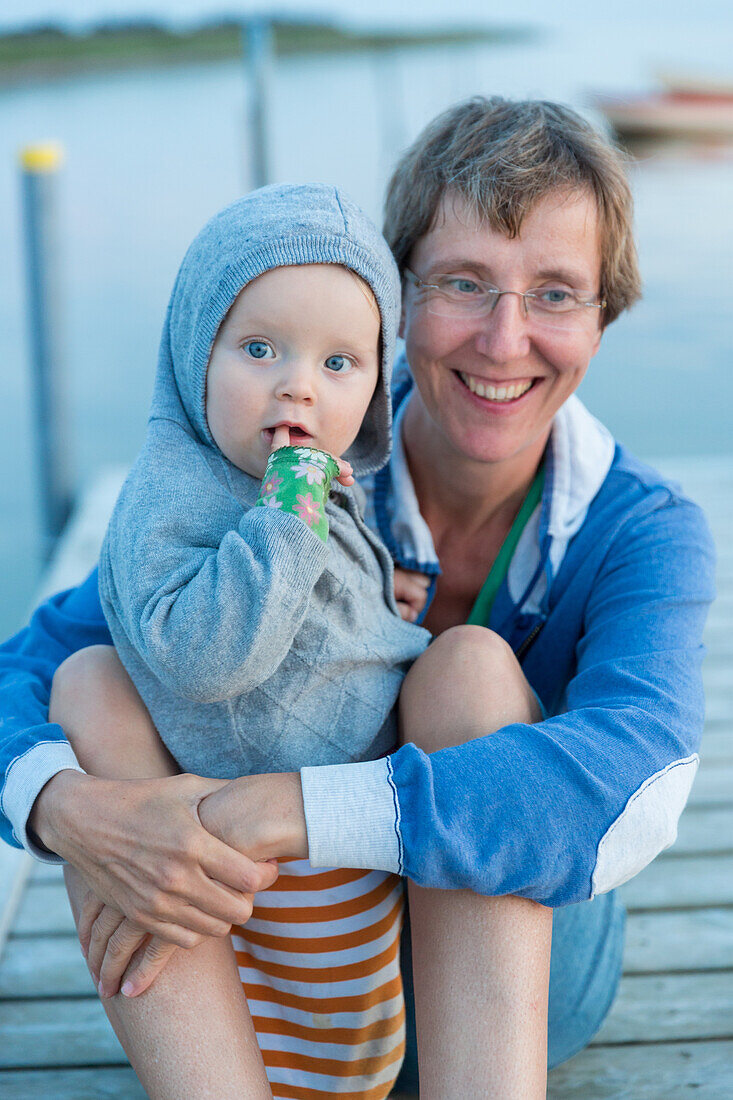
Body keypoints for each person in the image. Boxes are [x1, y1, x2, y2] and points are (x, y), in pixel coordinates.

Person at [0, 96, 715, 1099]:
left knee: (468, 668)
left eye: (556, 293)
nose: (505, 340)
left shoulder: (642, 528)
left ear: (604, 315)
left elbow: (636, 784)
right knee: (92, 680)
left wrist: (283, 809)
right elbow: (26, 666)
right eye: (463, 283)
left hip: (514, 987)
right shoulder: (292, 463)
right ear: (393, 300)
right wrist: (74, 811)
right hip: (278, 974)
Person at [45, 182, 438, 1099]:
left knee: (353, 1064)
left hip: (350, 875)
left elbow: (310, 600)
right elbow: (212, 653)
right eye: (258, 348)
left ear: (378, 383)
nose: (298, 383)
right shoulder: (176, 500)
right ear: (195, 351)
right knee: (85, 675)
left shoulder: (297, 485)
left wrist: (374, 596)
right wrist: (297, 510)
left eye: (341, 362)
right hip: (233, 897)